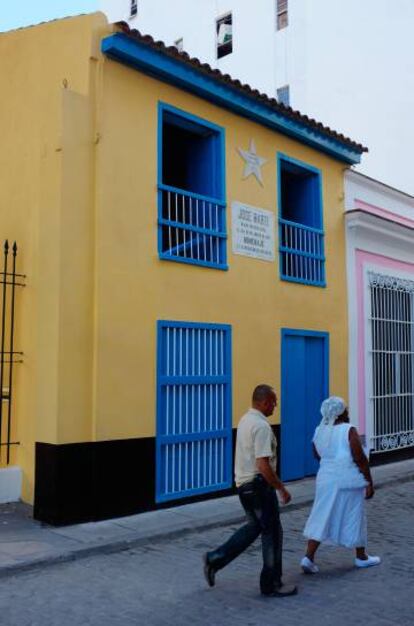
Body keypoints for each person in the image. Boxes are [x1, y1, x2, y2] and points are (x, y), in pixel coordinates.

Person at [203, 384, 297, 597]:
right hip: (258, 487)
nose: (275, 406)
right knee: (272, 533)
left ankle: (215, 558)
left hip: (244, 486)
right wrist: (280, 488)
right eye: (273, 402)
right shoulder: (262, 427)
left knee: (255, 527)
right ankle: (271, 583)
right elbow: (263, 465)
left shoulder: (246, 420)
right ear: (264, 402)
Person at [300, 396, 381, 574]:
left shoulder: (319, 430)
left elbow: (317, 454)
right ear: (342, 412)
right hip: (348, 479)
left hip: (325, 479)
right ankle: (361, 556)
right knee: (355, 515)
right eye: (346, 408)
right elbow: (359, 457)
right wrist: (368, 482)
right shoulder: (348, 430)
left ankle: (308, 557)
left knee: (322, 513)